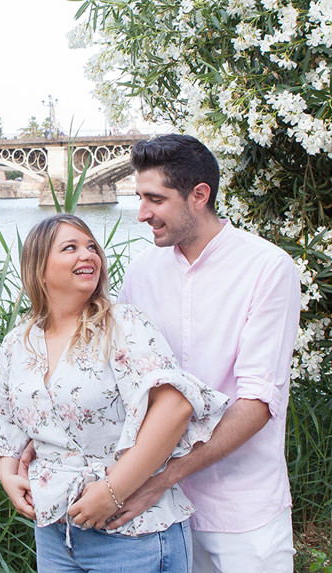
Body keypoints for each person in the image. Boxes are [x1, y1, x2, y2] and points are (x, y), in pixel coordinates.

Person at [0, 214, 227, 573]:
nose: (87, 255)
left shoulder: (122, 325)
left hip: (132, 533)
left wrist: (111, 491)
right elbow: (8, 422)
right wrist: (8, 474)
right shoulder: (17, 344)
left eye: (91, 247)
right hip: (55, 533)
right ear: (39, 270)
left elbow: (175, 406)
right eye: (70, 248)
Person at [112, 134, 302, 573]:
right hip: (160, 514)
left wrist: (160, 479)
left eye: (154, 199)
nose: (142, 214)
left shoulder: (268, 268)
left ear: (200, 195)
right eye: (140, 198)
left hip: (241, 510)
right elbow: (113, 372)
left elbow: (257, 404)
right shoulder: (142, 270)